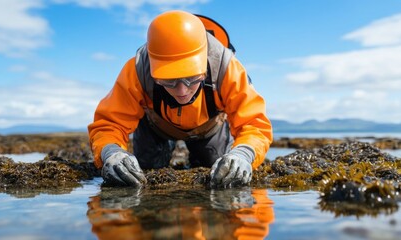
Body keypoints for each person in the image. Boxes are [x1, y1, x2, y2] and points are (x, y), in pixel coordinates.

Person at [88, 10, 273, 188]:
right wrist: (110, 152)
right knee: (144, 170)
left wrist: (244, 154)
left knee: (220, 172)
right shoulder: (137, 70)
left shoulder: (227, 68)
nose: (182, 91)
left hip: (208, 130)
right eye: (168, 81)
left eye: (192, 79)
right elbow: (110, 124)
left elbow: (254, 124)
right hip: (155, 128)